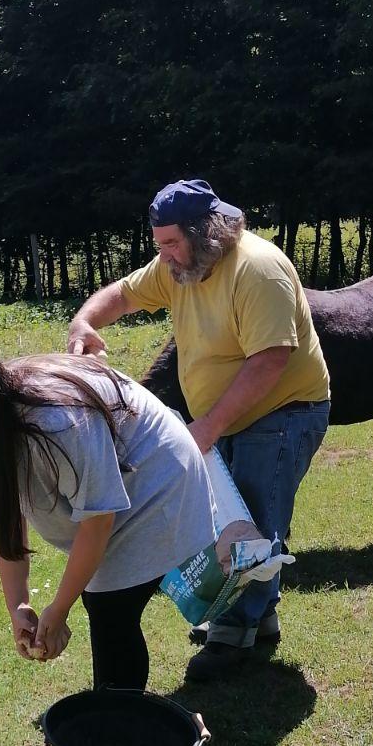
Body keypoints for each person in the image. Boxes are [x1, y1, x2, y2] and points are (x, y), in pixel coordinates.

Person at [67, 178, 331, 682]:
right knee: (231, 518)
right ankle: (259, 617)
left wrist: (207, 426)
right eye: (159, 244)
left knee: (253, 517)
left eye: (170, 243)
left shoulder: (258, 269)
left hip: (283, 411)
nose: (163, 255)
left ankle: (232, 634)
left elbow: (271, 360)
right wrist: (84, 321)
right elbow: (122, 295)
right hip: (231, 415)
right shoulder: (179, 267)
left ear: (206, 232)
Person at [0, 334, 216, 692]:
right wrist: (18, 604)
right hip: (117, 494)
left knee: (110, 607)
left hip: (161, 483)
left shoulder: (58, 420)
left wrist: (59, 608)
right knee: (105, 602)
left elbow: (98, 520)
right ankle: (115, 715)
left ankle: (121, 723)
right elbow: (8, 517)